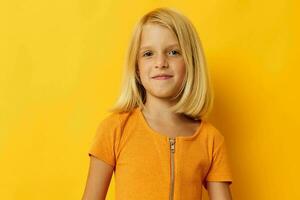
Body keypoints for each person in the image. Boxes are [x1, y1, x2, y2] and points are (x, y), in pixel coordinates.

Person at [82, 7, 233, 200]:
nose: (160, 62)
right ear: (136, 67)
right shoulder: (115, 129)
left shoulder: (211, 140)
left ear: (191, 62)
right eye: (148, 54)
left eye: (173, 52)